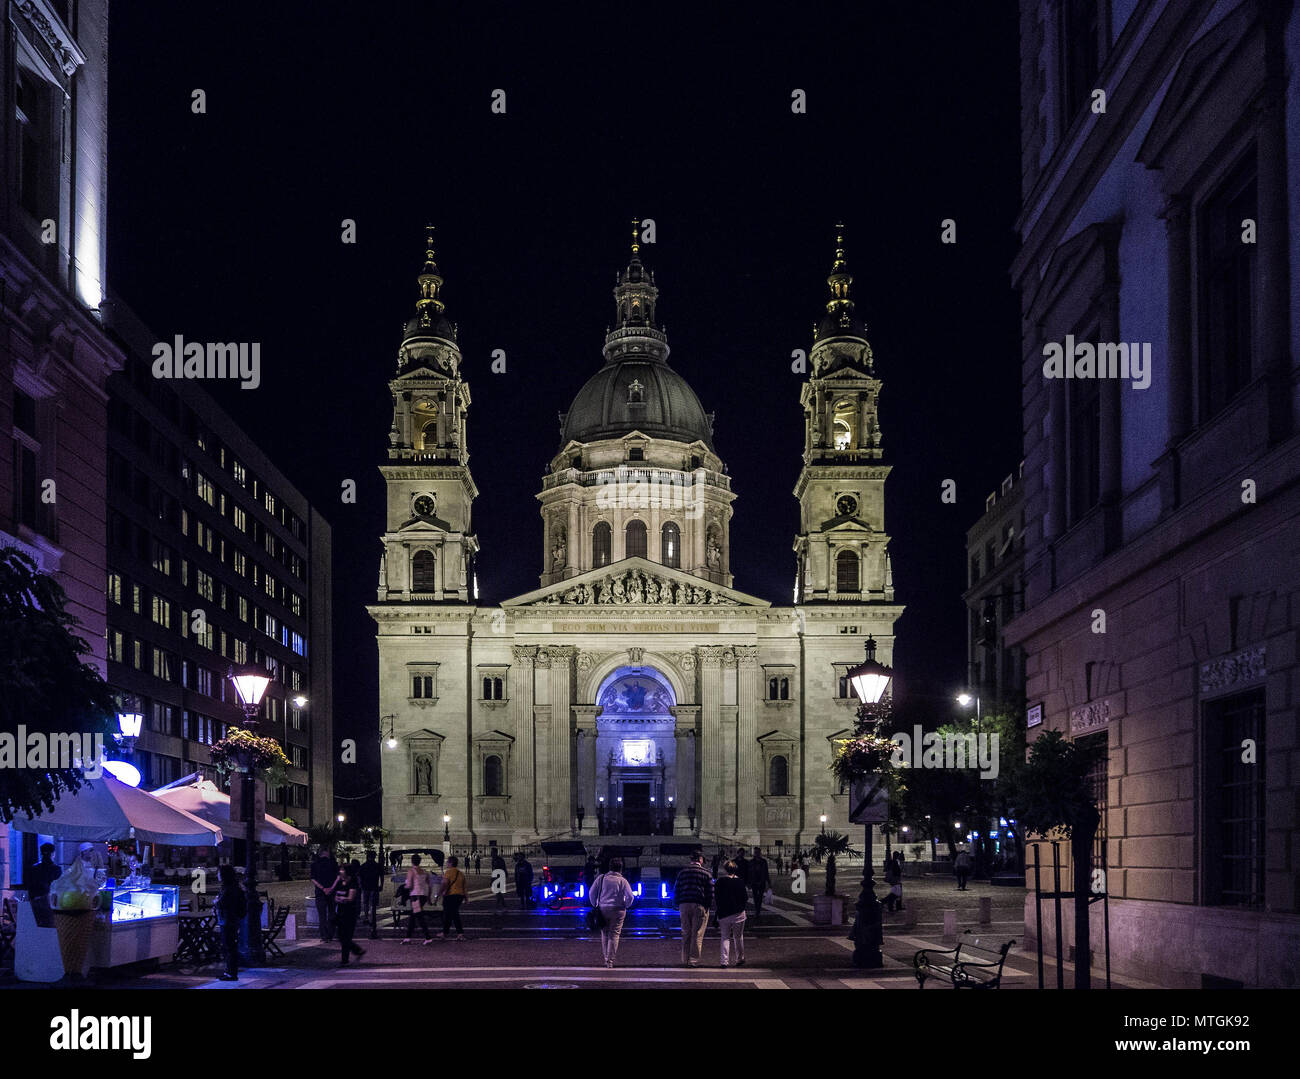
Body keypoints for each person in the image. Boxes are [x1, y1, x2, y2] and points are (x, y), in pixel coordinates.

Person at [589, 857, 635, 968]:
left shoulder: (601, 878)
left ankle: (606, 958)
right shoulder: (623, 881)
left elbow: (591, 893)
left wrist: (595, 904)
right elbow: (630, 897)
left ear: (609, 867)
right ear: (621, 869)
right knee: (614, 934)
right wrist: (626, 905)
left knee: (604, 934)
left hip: (603, 908)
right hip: (618, 910)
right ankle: (610, 961)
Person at [673, 849, 714, 968]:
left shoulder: (682, 872)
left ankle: (684, 959)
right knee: (697, 933)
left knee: (686, 932)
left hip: (684, 904)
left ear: (691, 859)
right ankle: (693, 960)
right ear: (700, 859)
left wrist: (676, 903)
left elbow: (677, 888)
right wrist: (708, 905)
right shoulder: (706, 873)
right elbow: (710, 892)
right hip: (699, 904)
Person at [214, 865, 246, 981]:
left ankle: (231, 973)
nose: (217, 875)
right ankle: (228, 972)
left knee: (229, 947)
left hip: (228, 921)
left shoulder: (228, 889)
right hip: (231, 920)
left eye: (219, 873)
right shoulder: (233, 887)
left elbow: (222, 903)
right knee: (229, 947)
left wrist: (217, 901)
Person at [714, 860, 748, 968]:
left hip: (724, 913)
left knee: (725, 937)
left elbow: (717, 898)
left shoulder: (720, 881)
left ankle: (724, 961)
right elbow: (745, 898)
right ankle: (740, 958)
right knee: (738, 937)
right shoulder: (740, 882)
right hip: (739, 913)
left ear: (725, 869)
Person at [332, 863, 365, 965]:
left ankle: (344, 960)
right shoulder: (340, 883)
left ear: (347, 872)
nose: (340, 872)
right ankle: (357, 950)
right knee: (341, 936)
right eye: (340, 870)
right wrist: (339, 898)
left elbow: (351, 898)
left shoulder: (353, 883)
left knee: (346, 937)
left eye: (342, 870)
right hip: (340, 912)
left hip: (349, 913)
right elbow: (335, 895)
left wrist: (342, 899)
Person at [402, 854, 436, 944]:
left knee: (418, 916)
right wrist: (428, 897)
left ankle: (427, 937)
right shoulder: (424, 872)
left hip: (415, 896)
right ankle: (408, 937)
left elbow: (409, 885)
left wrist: (403, 888)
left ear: (412, 861)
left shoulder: (411, 871)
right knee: (414, 916)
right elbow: (430, 885)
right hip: (423, 896)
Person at [26, 843, 62, 928]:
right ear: (53, 854)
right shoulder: (56, 869)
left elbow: (30, 887)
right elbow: (58, 887)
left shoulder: (34, 868)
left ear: (41, 853)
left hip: (35, 902)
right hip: (50, 903)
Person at [310, 846, 339, 942]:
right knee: (332, 913)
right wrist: (331, 888)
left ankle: (324, 936)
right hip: (332, 892)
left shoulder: (314, 864)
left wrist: (322, 888)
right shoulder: (333, 863)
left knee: (322, 916)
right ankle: (330, 934)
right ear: (326, 853)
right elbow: (338, 878)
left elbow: (313, 879)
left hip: (320, 892)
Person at [440, 855, 468, 940]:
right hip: (460, 896)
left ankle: (460, 933)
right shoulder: (461, 874)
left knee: (452, 914)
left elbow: (444, 884)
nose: (446, 863)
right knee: (451, 914)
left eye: (447, 862)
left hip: (450, 895)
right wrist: (466, 898)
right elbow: (464, 887)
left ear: (451, 863)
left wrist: (439, 893)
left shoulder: (448, 872)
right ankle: (445, 933)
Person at [358, 851, 383, 937]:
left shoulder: (364, 866)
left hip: (365, 887)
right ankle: (373, 918)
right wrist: (381, 885)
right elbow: (382, 876)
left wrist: (361, 885)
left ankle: (366, 917)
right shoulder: (377, 866)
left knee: (365, 902)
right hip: (374, 887)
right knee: (373, 905)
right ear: (374, 857)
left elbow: (359, 876)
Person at [749, 846, 771, 918]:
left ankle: (758, 910)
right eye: (755, 852)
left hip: (761, 882)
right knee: (755, 897)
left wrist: (768, 881)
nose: (757, 853)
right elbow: (749, 872)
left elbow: (766, 872)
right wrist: (749, 882)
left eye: (758, 852)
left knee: (760, 897)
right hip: (754, 882)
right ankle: (757, 910)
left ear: (760, 853)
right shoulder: (751, 862)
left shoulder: (764, 861)